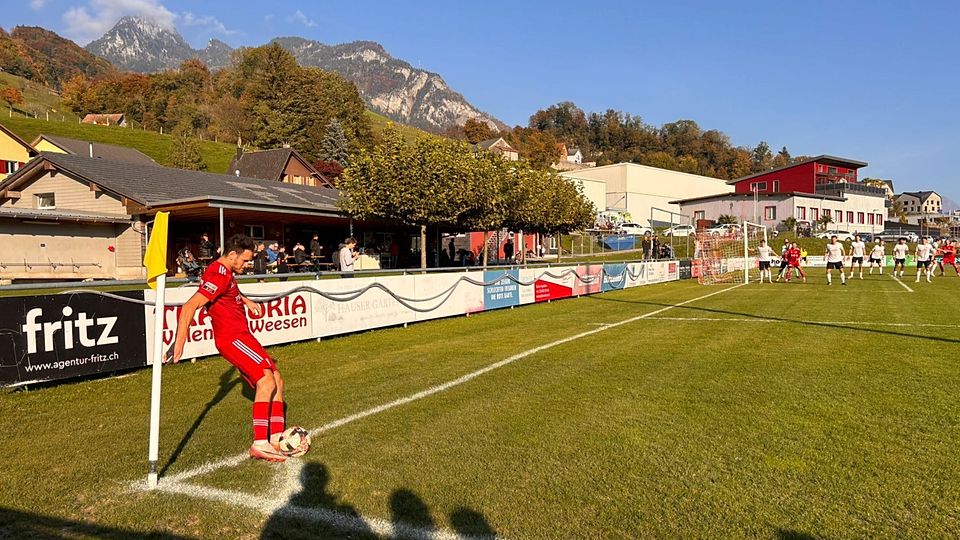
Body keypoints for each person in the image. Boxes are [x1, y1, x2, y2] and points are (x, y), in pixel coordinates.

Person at [169, 234, 289, 462]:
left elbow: (229, 290)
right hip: (233, 339)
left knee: (277, 379)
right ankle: (260, 443)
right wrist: (180, 341)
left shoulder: (227, 273)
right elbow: (190, 305)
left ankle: (276, 437)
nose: (247, 265)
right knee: (266, 381)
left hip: (243, 335)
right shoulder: (217, 273)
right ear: (232, 255)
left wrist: (247, 301)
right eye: (245, 261)